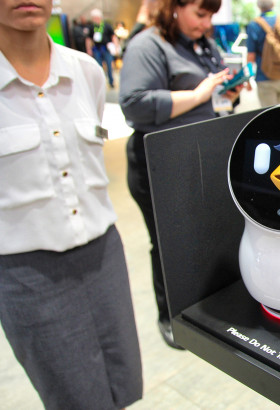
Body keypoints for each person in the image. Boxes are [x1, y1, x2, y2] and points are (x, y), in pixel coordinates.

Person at [0, 0, 143, 409]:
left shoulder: (86, 71)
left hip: (104, 255)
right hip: (27, 272)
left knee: (123, 383)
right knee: (73, 396)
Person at [119, 0, 242, 349]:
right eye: (200, 14)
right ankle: (170, 314)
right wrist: (197, 95)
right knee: (167, 244)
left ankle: (204, 305)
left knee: (204, 236)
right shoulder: (148, 45)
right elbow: (134, 104)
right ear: (174, 6)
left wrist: (227, 94)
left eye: (210, 16)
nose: (205, 23)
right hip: (161, 163)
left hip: (201, 156)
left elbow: (215, 99)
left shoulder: (204, 44)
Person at [246, 0, 280, 107]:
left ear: (258, 6)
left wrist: (248, 79)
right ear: (273, 4)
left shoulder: (254, 25)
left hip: (264, 76)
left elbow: (251, 56)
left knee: (268, 113)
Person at [88, 8, 118, 88]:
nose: (94, 20)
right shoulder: (92, 27)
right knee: (98, 67)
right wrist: (89, 49)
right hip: (97, 49)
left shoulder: (107, 26)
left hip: (106, 49)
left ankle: (111, 82)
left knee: (109, 65)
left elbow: (113, 36)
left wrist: (116, 47)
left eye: (95, 18)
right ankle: (101, 83)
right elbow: (88, 39)